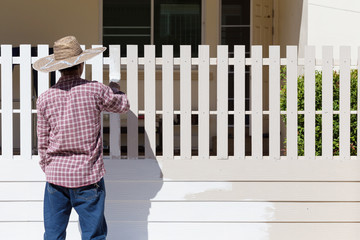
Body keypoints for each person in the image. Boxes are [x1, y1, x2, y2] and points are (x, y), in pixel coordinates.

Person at [33, 36, 130, 240]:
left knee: (53, 234)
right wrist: (114, 87)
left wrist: (48, 166)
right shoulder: (95, 90)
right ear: (81, 64)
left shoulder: (45, 98)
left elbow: (42, 140)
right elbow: (122, 105)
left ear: (58, 67)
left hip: (56, 177)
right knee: (93, 235)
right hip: (88, 175)